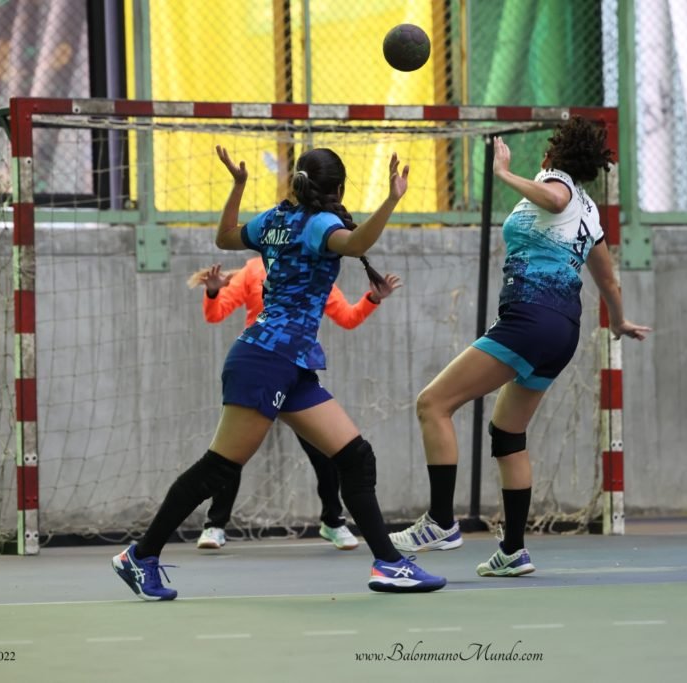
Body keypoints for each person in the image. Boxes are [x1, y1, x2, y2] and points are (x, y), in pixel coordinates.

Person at [111, 145, 445, 599]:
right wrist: (391, 198)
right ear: (338, 189)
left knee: (355, 457)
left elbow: (225, 237)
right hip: (266, 361)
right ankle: (140, 555)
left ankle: (388, 564)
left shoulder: (273, 219)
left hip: (292, 365)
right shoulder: (319, 224)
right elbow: (357, 244)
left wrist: (239, 186)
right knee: (218, 469)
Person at [390, 117, 651, 576]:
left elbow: (554, 198)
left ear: (553, 154)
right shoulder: (589, 212)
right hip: (563, 331)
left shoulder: (555, 184)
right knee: (508, 433)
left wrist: (505, 174)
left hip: (530, 319)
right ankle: (513, 550)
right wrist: (618, 320)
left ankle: (441, 522)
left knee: (433, 404)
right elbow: (608, 279)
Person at [187, 258, 402, 551]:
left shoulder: (316, 270)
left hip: (295, 372)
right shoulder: (252, 270)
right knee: (231, 455)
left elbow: (348, 318)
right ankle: (215, 525)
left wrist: (372, 299)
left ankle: (332, 521)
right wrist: (213, 292)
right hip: (260, 371)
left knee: (326, 452)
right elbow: (215, 314)